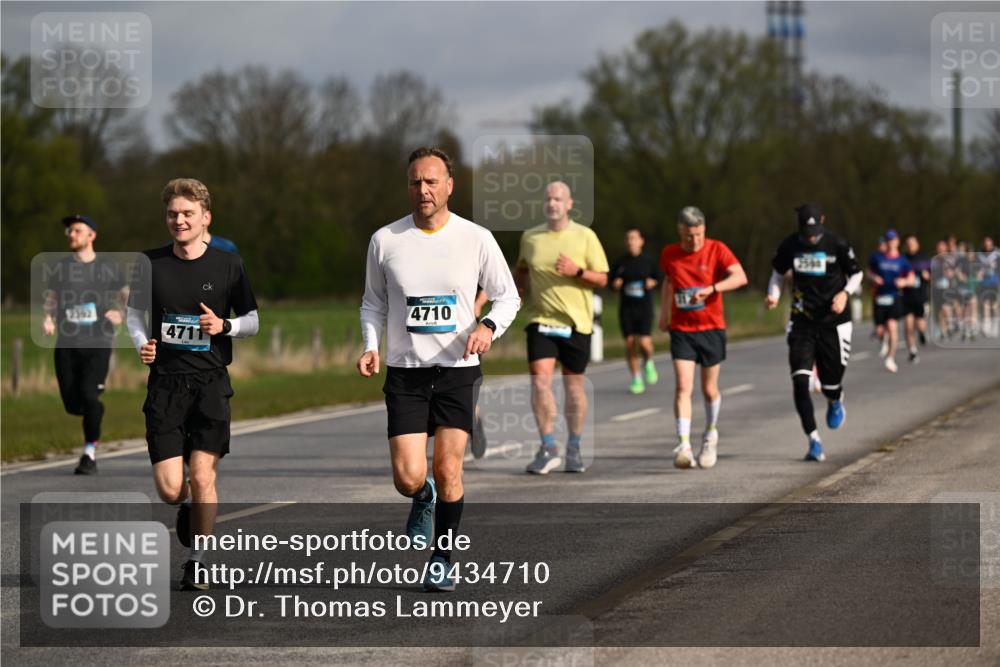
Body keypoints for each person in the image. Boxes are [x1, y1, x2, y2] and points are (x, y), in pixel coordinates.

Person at [358, 147, 519, 592]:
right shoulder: (386, 240)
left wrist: (488, 326)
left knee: (450, 468)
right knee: (408, 477)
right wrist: (372, 346)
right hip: (406, 372)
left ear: (450, 185)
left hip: (457, 370)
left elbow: (508, 296)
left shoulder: (476, 238)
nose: (423, 189)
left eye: (432, 181)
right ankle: (422, 495)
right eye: (415, 182)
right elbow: (373, 302)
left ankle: (443, 556)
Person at [127, 178, 260, 591]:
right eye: (172, 214)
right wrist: (142, 345)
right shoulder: (149, 264)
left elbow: (253, 321)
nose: (179, 221)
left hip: (209, 383)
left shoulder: (227, 264)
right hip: (165, 384)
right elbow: (134, 316)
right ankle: (185, 508)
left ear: (206, 218)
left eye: (187, 214)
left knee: (203, 476)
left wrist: (226, 325)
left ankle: (198, 560)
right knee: (171, 489)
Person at [514, 181, 609, 475]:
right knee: (540, 382)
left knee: (574, 388)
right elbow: (521, 272)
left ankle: (575, 446)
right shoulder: (531, 237)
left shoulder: (585, 236)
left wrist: (577, 272)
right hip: (541, 321)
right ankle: (548, 446)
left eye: (558, 199)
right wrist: (510, 300)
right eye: (548, 199)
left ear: (569, 204)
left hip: (576, 324)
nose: (552, 203)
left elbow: (603, 279)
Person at [766, 203, 863, 462]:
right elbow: (777, 273)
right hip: (802, 321)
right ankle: (814, 441)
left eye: (814, 231)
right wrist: (773, 295)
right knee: (800, 381)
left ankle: (835, 399)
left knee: (830, 384)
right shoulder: (789, 246)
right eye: (806, 232)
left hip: (834, 321)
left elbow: (856, 274)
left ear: (823, 220)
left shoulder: (837, 244)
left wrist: (844, 294)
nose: (810, 237)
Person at [659, 207, 747, 469]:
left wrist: (712, 289)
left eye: (698, 235)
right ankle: (684, 445)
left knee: (708, 389)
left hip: (711, 327)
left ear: (704, 231)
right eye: (689, 236)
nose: (694, 241)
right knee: (683, 386)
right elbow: (668, 282)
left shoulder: (717, 249)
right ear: (680, 231)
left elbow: (740, 277)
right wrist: (664, 314)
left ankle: (710, 434)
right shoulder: (670, 254)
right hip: (682, 329)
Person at [42, 214, 127, 475]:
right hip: (67, 344)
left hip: (98, 342)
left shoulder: (108, 267)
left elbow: (127, 295)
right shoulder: (61, 268)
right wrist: (47, 317)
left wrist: (120, 313)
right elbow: (52, 298)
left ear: (92, 235)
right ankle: (93, 410)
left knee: (89, 396)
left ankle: (89, 453)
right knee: (73, 404)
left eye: (77, 230)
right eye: (69, 231)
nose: (71, 234)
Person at [610, 227, 663, 394]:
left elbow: (659, 278)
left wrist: (652, 282)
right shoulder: (620, 263)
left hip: (644, 307)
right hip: (626, 308)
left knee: (645, 343)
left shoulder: (648, 261)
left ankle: (648, 362)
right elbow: (611, 282)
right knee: (630, 343)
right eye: (628, 238)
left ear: (641, 241)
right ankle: (636, 378)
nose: (631, 241)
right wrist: (615, 284)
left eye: (634, 238)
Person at [867, 229, 914, 372]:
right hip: (879, 298)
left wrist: (904, 282)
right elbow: (868, 272)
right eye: (888, 240)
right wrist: (874, 278)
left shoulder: (903, 261)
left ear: (897, 242)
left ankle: (890, 358)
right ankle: (882, 337)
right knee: (880, 330)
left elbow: (911, 279)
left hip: (894, 297)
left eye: (893, 240)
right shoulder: (877, 258)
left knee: (893, 328)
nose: (891, 243)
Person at [902, 235, 931, 362]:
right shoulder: (902, 259)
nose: (910, 245)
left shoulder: (925, 259)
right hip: (907, 297)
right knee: (908, 326)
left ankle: (922, 333)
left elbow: (933, 275)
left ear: (917, 244)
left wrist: (927, 276)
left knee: (920, 324)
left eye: (913, 243)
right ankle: (912, 351)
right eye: (908, 243)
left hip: (921, 297)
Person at [979, 236, 999, 338]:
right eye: (985, 243)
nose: (987, 245)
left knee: (994, 304)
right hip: (984, 283)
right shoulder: (980, 254)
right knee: (985, 304)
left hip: (995, 282)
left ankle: (995, 325)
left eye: (989, 243)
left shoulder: (997, 254)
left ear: (992, 243)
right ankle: (987, 326)